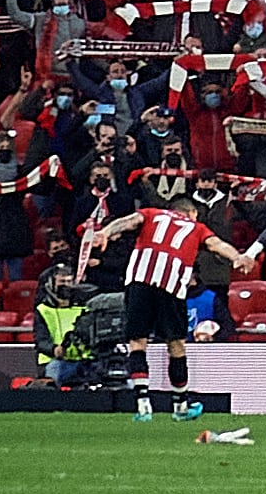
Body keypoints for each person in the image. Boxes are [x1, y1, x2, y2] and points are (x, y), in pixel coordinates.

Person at [77, 172, 249, 416]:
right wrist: (238, 258)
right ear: (192, 213)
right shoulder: (197, 227)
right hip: (171, 285)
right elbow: (217, 245)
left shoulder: (151, 213)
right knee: (176, 344)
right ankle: (180, 404)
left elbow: (127, 221)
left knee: (137, 342)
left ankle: (142, 403)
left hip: (139, 280)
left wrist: (105, 232)